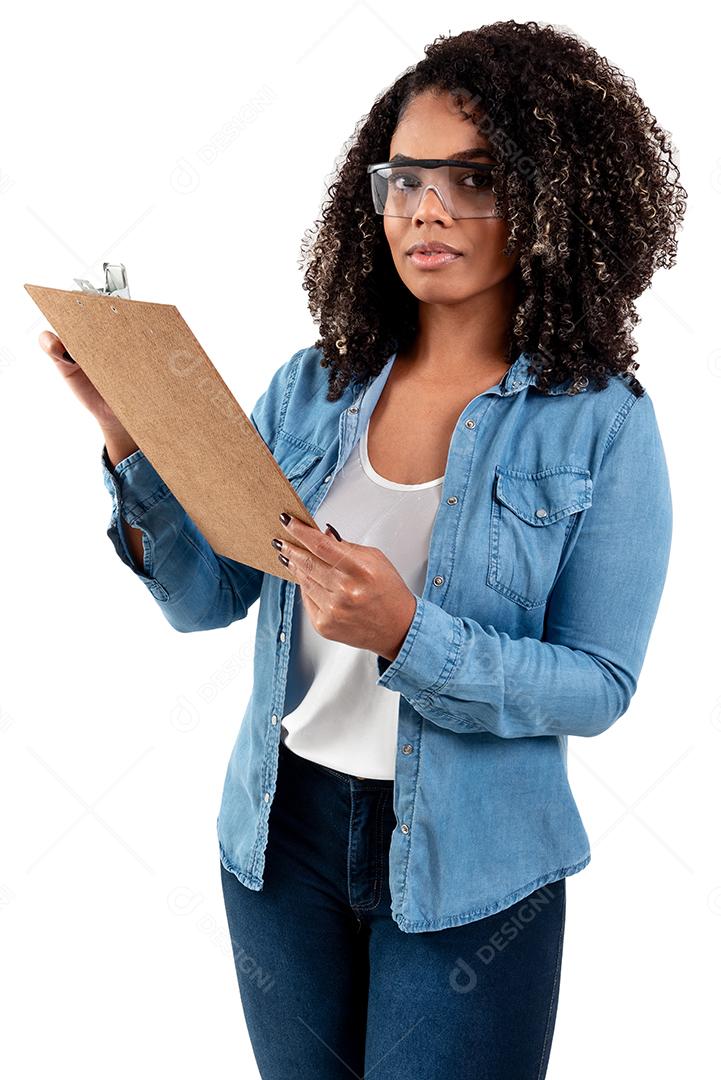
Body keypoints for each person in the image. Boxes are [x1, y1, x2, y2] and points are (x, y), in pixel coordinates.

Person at [39, 19, 684, 1080]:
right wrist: (126, 432)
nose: (424, 208)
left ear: (552, 196)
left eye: (471, 178)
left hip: (474, 873)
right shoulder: (313, 386)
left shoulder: (601, 424)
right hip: (279, 838)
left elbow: (598, 687)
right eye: (405, 177)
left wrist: (412, 637)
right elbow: (209, 597)